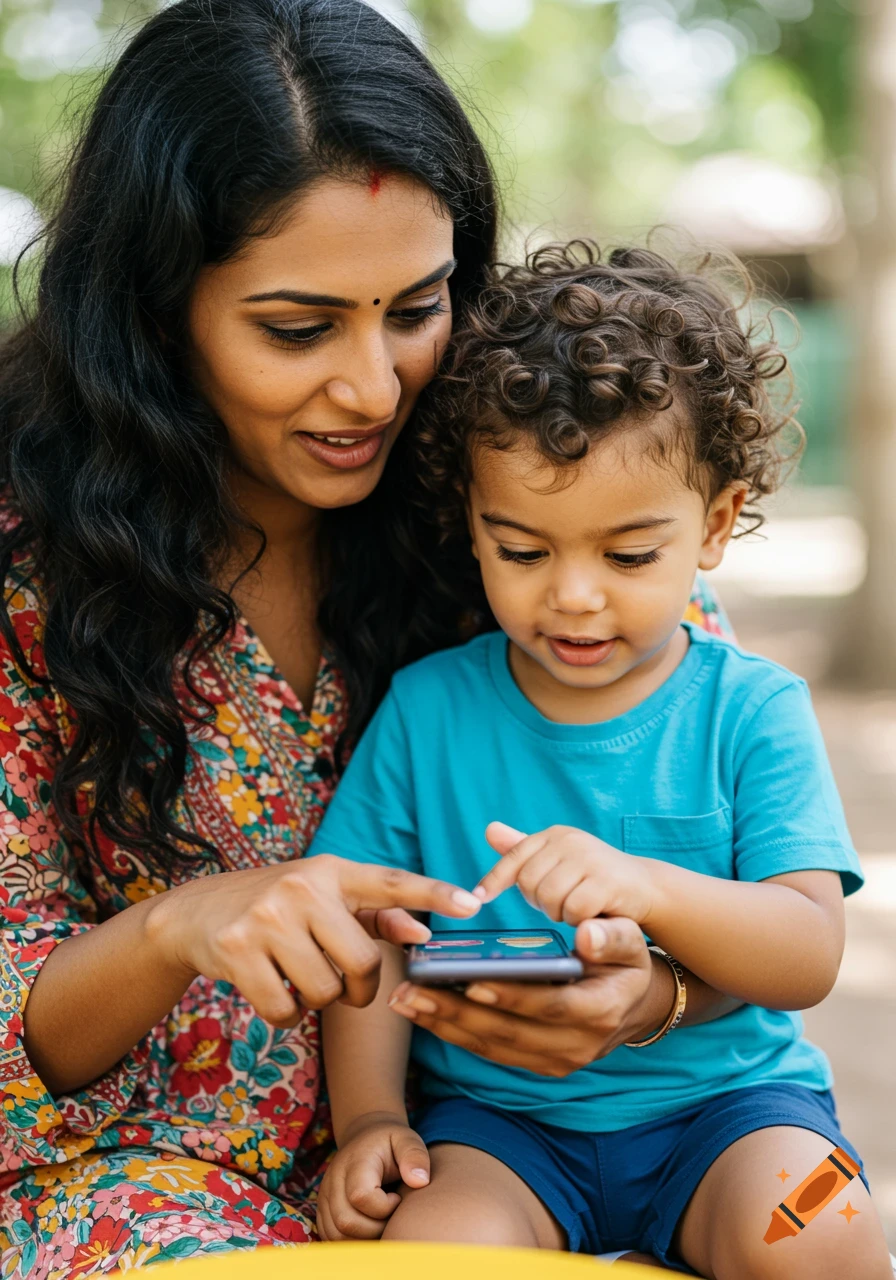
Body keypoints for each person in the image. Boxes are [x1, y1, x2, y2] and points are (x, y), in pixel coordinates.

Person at [0, 2, 735, 1273]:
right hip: (132, 1183)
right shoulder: (28, 570)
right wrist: (183, 924)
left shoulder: (534, 500)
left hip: (507, 1151)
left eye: (416, 305)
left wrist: (657, 995)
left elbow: (749, 878)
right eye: (297, 328)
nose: (376, 386)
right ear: (154, 308)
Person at [310, 240, 894, 1278]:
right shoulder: (428, 709)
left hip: (729, 1110)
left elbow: (805, 948)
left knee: (821, 1234)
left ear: (712, 526)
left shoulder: (748, 708)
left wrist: (646, 886)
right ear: (473, 527)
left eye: (628, 554)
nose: (572, 595)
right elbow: (367, 932)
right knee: (428, 1257)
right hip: (496, 1128)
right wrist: (366, 1119)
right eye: (522, 549)